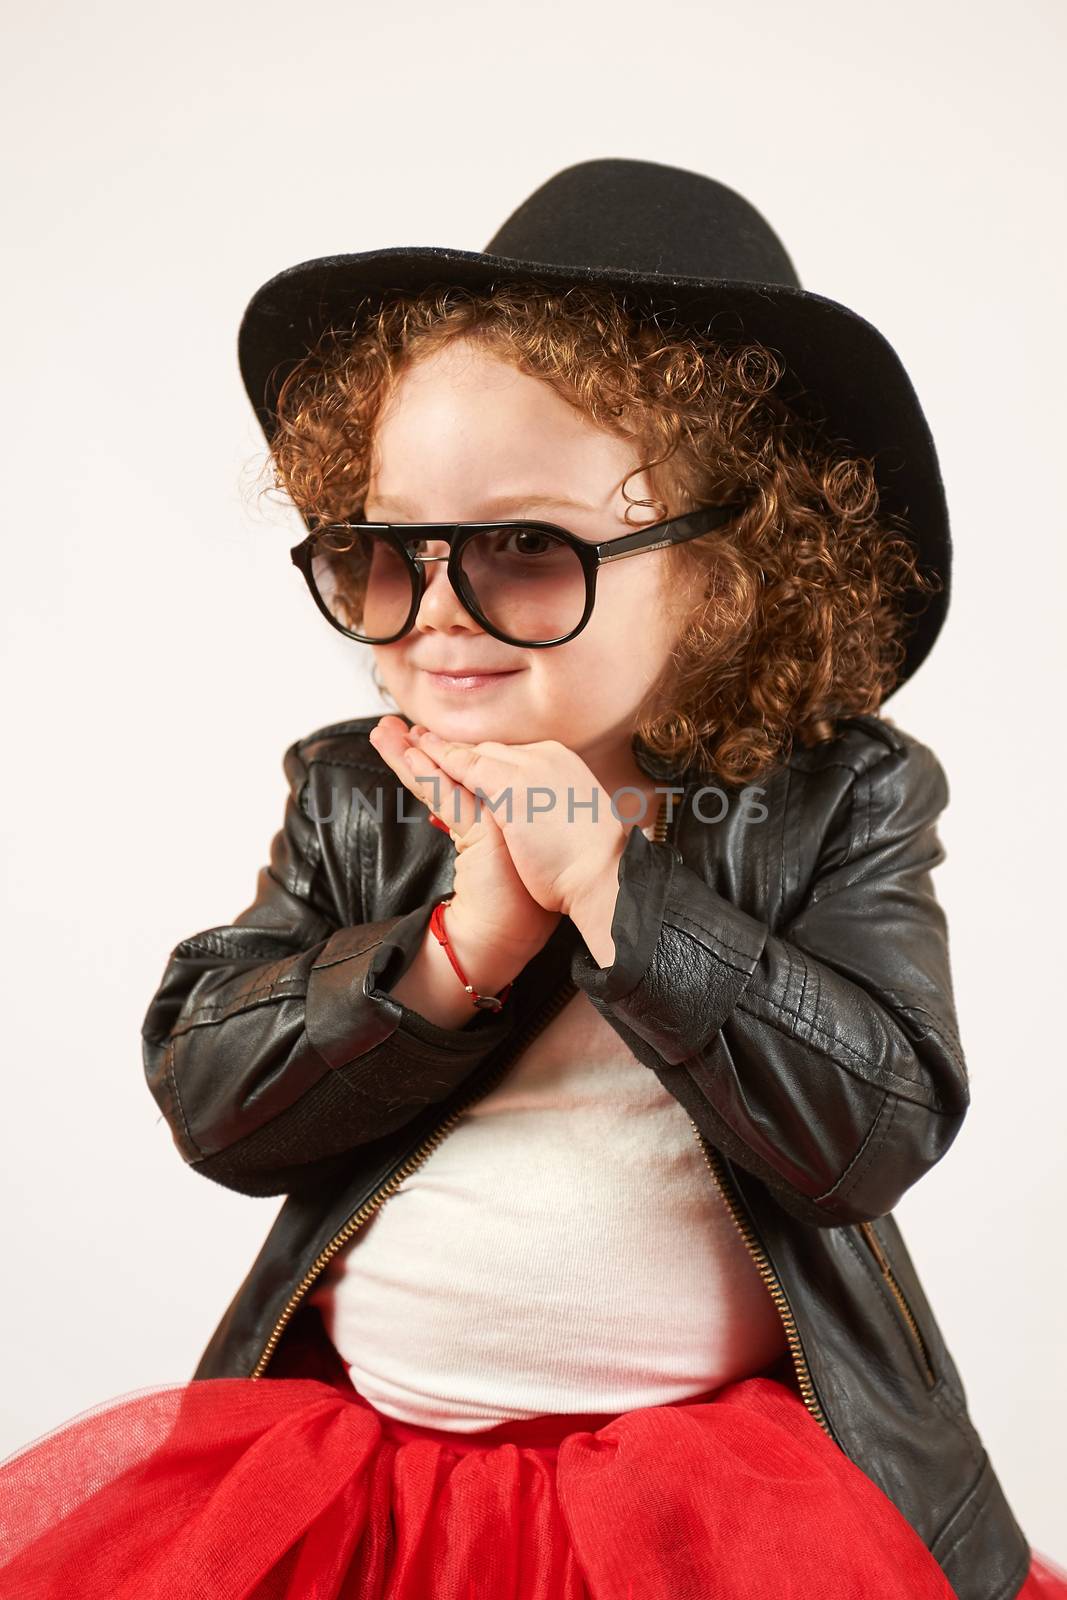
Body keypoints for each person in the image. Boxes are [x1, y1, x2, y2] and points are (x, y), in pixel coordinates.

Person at [0, 158, 1063, 1600]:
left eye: (522, 549)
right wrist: (458, 948)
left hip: (708, 1520)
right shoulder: (362, 790)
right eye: (387, 553)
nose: (437, 613)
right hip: (366, 1495)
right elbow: (214, 1100)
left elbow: (872, 1130)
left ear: (726, 574)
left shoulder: (840, 797)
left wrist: (617, 887)